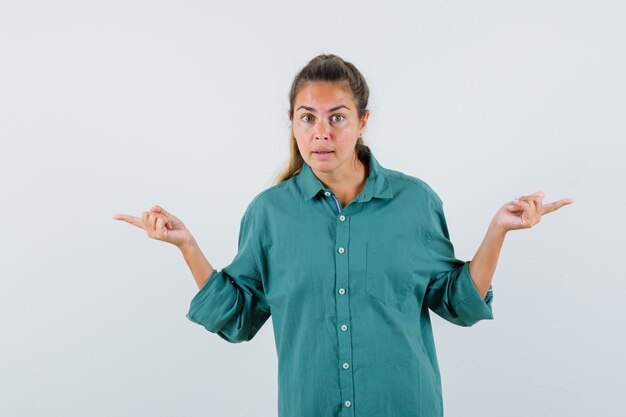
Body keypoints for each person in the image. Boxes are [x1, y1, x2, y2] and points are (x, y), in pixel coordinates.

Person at [113, 54, 574, 417]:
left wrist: (498, 231)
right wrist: (187, 247)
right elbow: (237, 318)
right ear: (292, 124)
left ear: (363, 121)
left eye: (337, 117)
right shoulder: (269, 213)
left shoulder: (415, 202)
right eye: (307, 117)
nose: (321, 133)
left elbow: (458, 302)